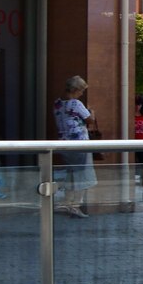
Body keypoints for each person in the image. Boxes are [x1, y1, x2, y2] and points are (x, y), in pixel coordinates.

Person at [52, 75, 95, 217]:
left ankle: (67, 202)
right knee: (82, 175)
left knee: (70, 173)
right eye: (81, 91)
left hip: (64, 143)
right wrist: (92, 112)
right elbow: (90, 120)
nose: (82, 94)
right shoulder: (76, 104)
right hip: (80, 143)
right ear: (75, 89)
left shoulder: (58, 103)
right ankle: (75, 205)